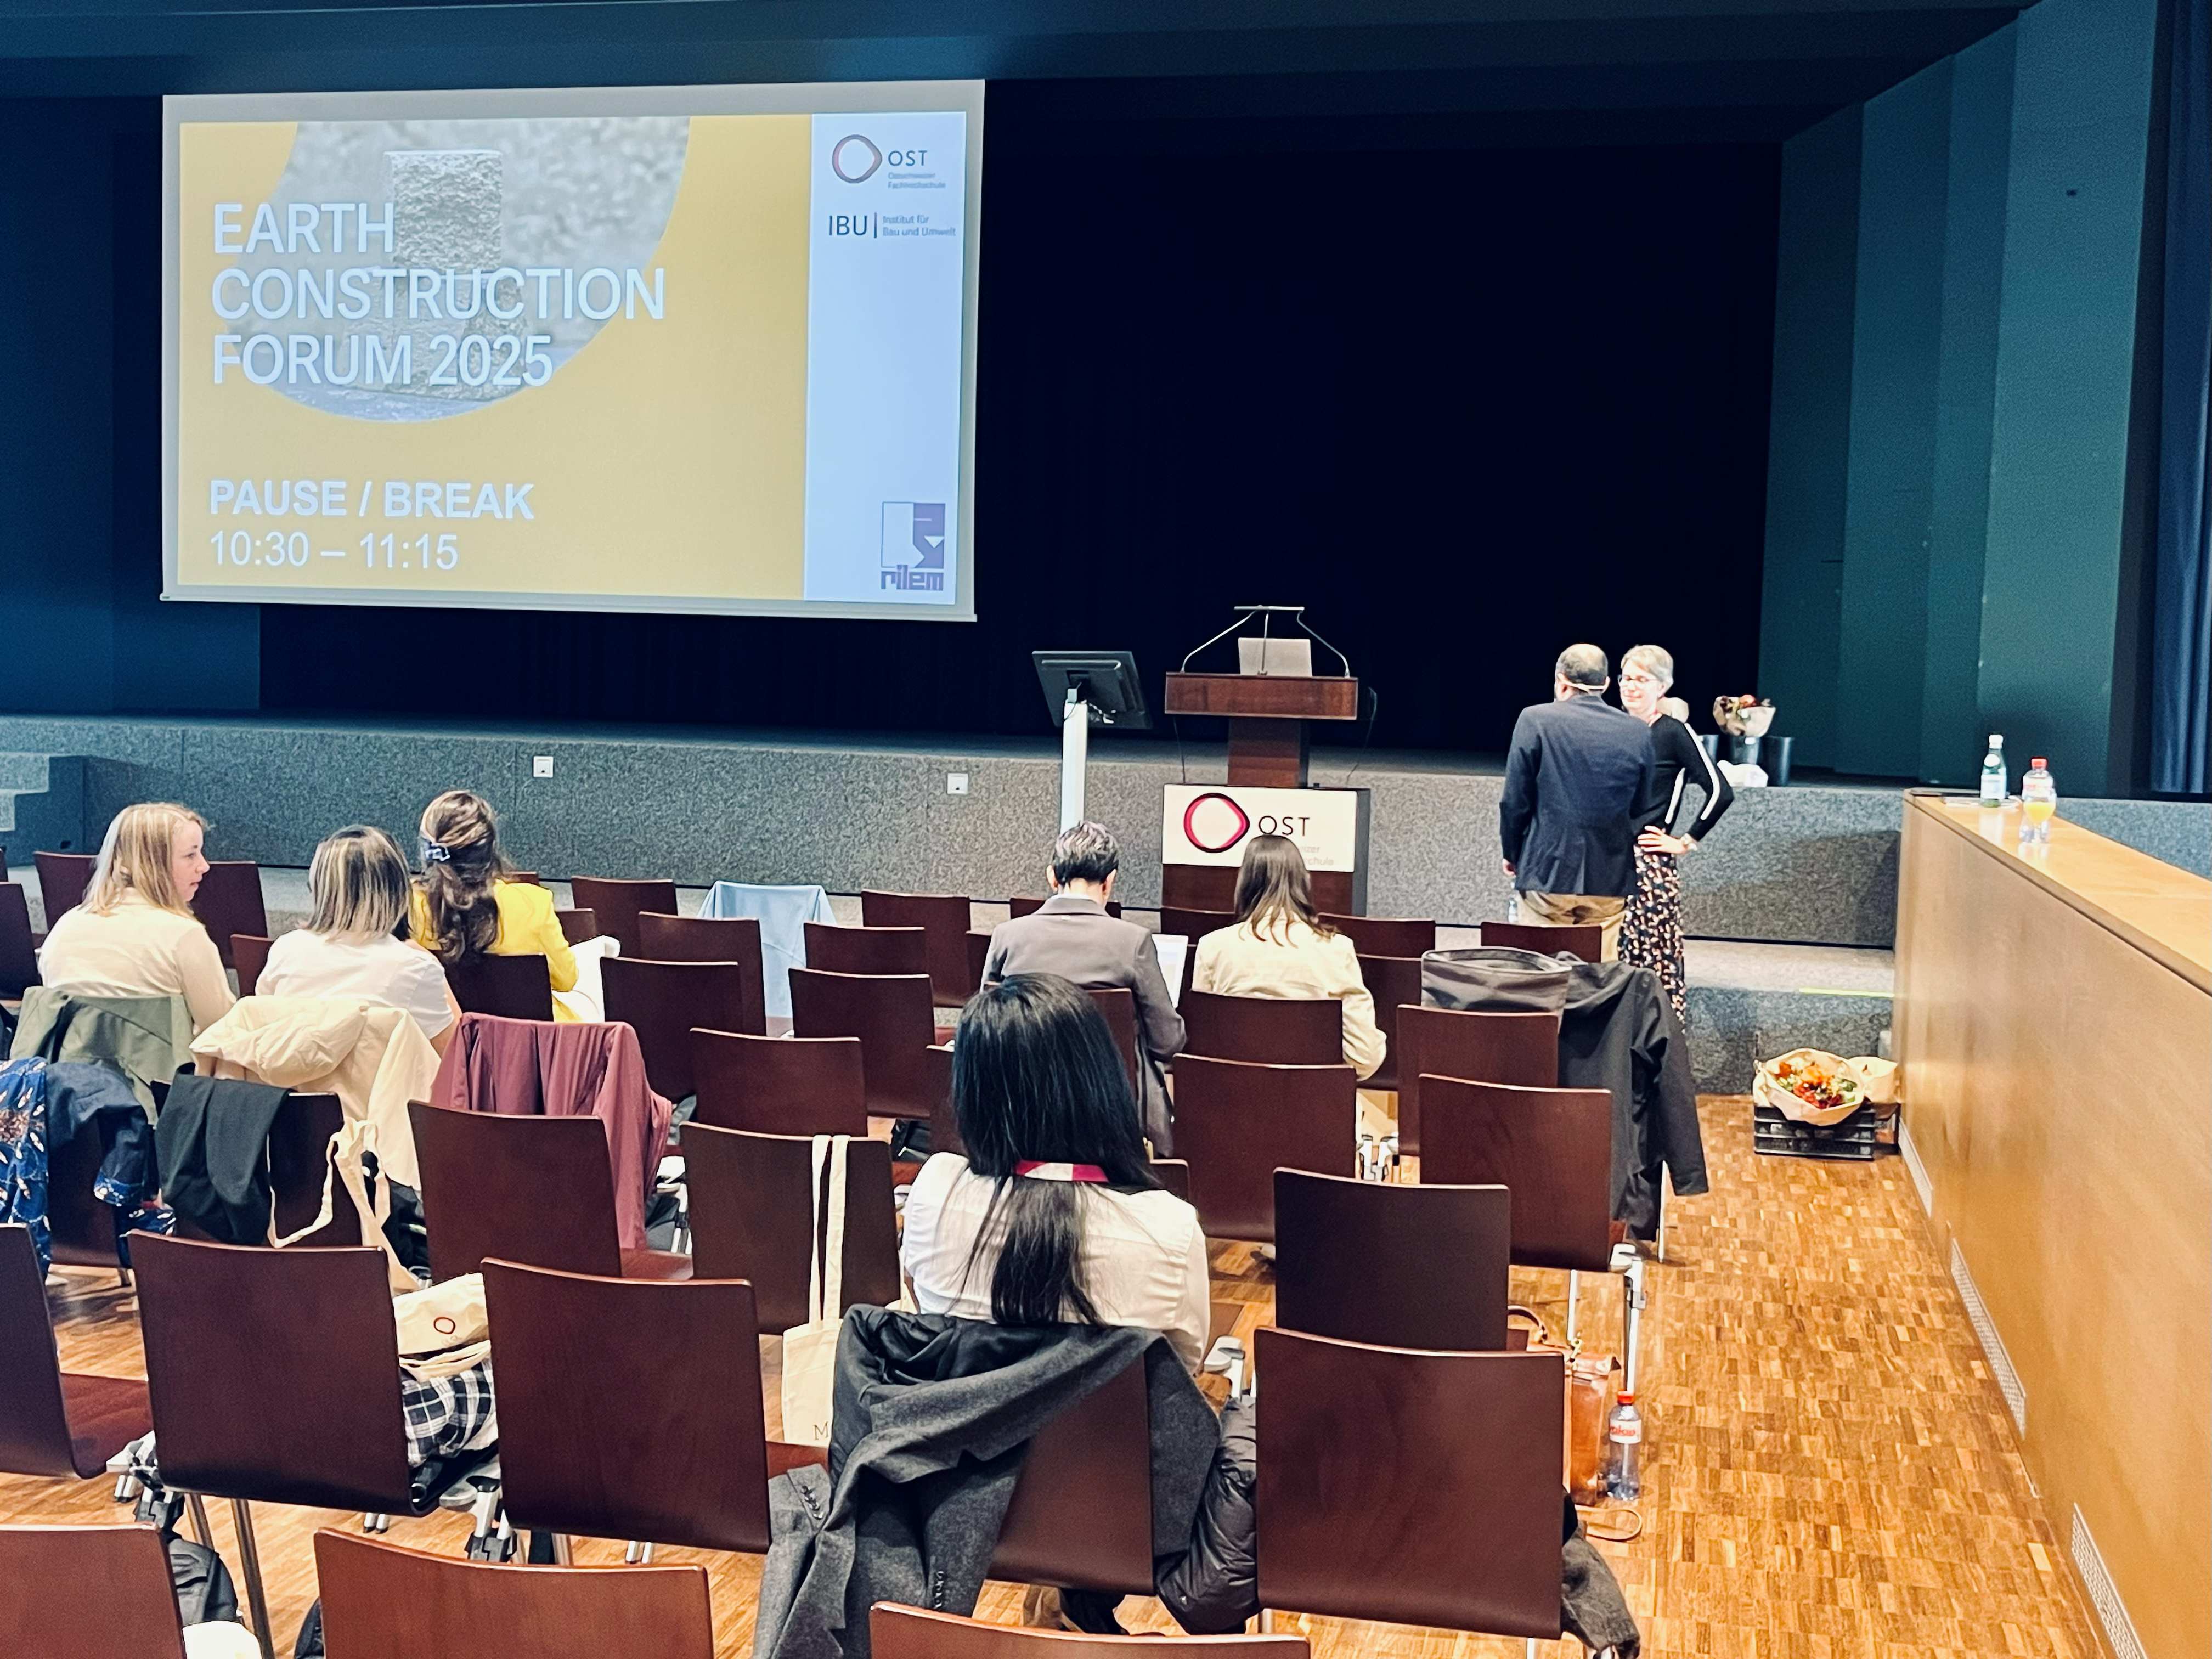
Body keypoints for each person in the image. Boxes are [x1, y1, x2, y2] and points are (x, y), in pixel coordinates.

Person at [899, 972, 1210, 1375]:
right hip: (1110, 1420)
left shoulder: (935, 1191)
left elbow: (925, 1311)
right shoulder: (1170, 1229)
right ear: (1104, 1080)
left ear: (971, 1095)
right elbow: (1184, 1367)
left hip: (963, 1417)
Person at [980, 822, 1186, 1152]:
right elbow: (1167, 1042)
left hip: (1025, 1110)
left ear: (1052, 877)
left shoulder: (1007, 937)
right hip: (1111, 1115)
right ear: (1109, 881)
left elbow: (985, 1029)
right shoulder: (1133, 942)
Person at [1498, 643, 1660, 962]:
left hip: (1547, 868)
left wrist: (1512, 853)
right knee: (1598, 975)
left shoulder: (1535, 719)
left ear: (1561, 681)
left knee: (1542, 974)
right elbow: (1644, 806)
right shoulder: (1638, 731)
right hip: (1609, 876)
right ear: (1607, 684)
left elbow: (1515, 800)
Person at [1190, 834, 1384, 1080]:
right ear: (1303, 882)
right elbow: (1364, 1058)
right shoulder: (1337, 949)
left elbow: (1203, 1046)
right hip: (1315, 1101)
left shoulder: (1213, 947)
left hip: (1232, 1099)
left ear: (1244, 883)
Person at [36, 802, 234, 1032]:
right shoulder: (184, 936)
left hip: (67, 1056)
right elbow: (223, 1030)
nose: (204, 866)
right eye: (191, 855)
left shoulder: (66, 927)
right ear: (152, 864)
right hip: (159, 1058)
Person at [258, 825, 460, 1047]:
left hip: (296, 1071)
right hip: (383, 1072)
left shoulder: (286, 949)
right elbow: (456, 1056)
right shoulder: (416, 968)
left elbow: (261, 1025)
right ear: (399, 891)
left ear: (319, 888)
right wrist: (431, 963)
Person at [1617, 645, 1732, 1025]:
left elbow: (1719, 791)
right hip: (1606, 861)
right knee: (1611, 961)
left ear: (1662, 687)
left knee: (1653, 964)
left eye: (1641, 679)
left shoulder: (1673, 732)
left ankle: (1658, 1046)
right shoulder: (1610, 727)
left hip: (1647, 866)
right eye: (1626, 678)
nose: (1631, 686)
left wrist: (1686, 841)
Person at [408, 790, 579, 1017]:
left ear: (426, 849)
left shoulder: (407, 907)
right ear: (490, 847)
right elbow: (567, 980)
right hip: (530, 1036)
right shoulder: (533, 903)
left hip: (445, 1034)